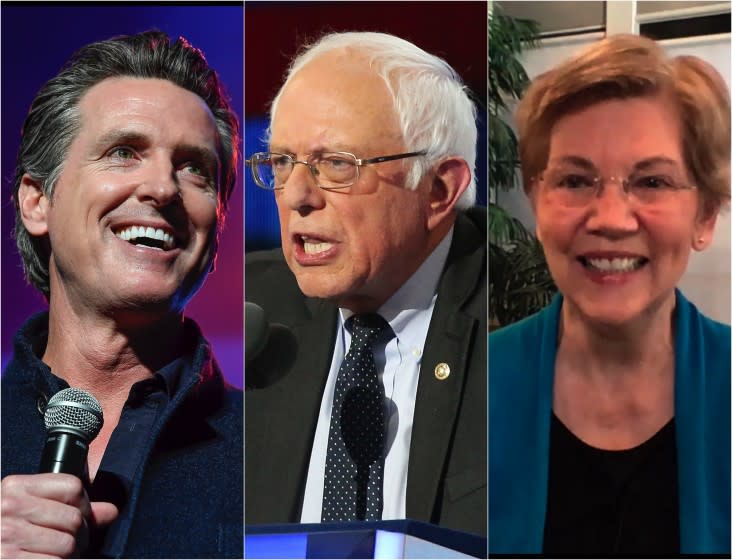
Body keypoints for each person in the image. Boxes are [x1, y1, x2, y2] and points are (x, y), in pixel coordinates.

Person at [1, 31, 242, 558]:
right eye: (124, 152)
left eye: (194, 167)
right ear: (37, 202)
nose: (163, 187)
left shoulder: (280, 456)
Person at [489, 33, 730, 556]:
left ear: (706, 215)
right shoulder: (471, 388)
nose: (611, 220)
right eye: (575, 181)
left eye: (653, 182)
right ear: (536, 202)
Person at [245, 31, 486, 538]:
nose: (297, 195)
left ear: (440, 189)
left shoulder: (509, 327)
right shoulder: (244, 317)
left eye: (337, 164)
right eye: (283, 162)